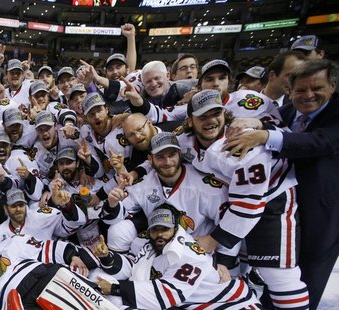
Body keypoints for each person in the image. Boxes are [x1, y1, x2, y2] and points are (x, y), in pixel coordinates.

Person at [222, 59, 339, 309]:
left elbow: (319, 142)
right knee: (270, 281)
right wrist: (260, 124)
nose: (308, 95)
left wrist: (264, 135)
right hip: (280, 209)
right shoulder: (285, 112)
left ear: (332, 85)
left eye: (317, 88)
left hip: (320, 213)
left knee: (304, 277)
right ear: (290, 90)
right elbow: (271, 124)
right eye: (300, 90)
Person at [183, 89, 309, 309]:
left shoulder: (244, 145)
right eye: (203, 116)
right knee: (233, 268)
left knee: (278, 276)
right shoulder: (186, 139)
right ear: (191, 121)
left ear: (225, 114)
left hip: (271, 202)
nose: (211, 120)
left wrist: (213, 240)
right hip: (233, 209)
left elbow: (249, 205)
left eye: (216, 113)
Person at [95, 207, 262, 309]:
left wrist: (115, 288)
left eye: (164, 229)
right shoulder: (151, 247)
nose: (159, 234)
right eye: (155, 230)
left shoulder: (190, 254)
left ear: (175, 230)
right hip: (194, 305)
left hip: (231, 303)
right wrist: (107, 257)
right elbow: (132, 269)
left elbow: (166, 294)